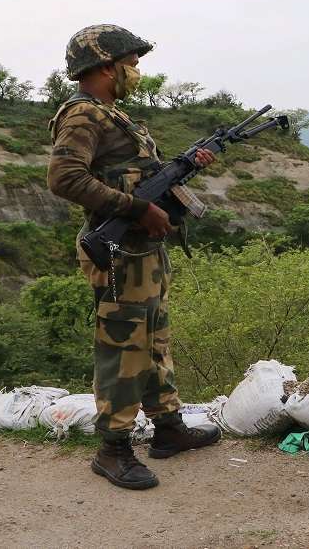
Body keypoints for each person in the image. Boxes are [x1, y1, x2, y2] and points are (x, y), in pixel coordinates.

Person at [47, 24, 221, 490]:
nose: (136, 72)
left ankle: (167, 429)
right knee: (124, 349)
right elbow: (64, 178)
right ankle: (113, 450)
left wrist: (183, 170)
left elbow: (136, 177)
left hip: (143, 251)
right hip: (119, 252)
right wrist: (137, 208)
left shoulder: (113, 115)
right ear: (105, 66)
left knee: (155, 341)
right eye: (132, 64)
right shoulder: (84, 115)